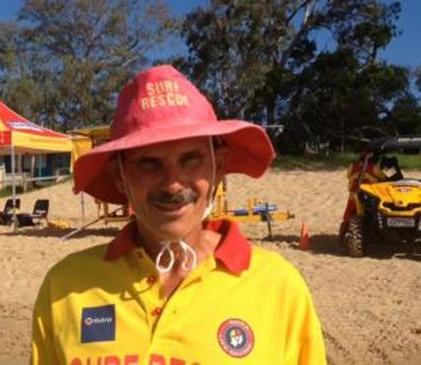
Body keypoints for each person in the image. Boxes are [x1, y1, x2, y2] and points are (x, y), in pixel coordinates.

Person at [31, 65, 326, 364]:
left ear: (218, 166)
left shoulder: (278, 287)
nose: (172, 184)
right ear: (120, 175)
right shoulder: (65, 286)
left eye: (191, 159)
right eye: (149, 163)